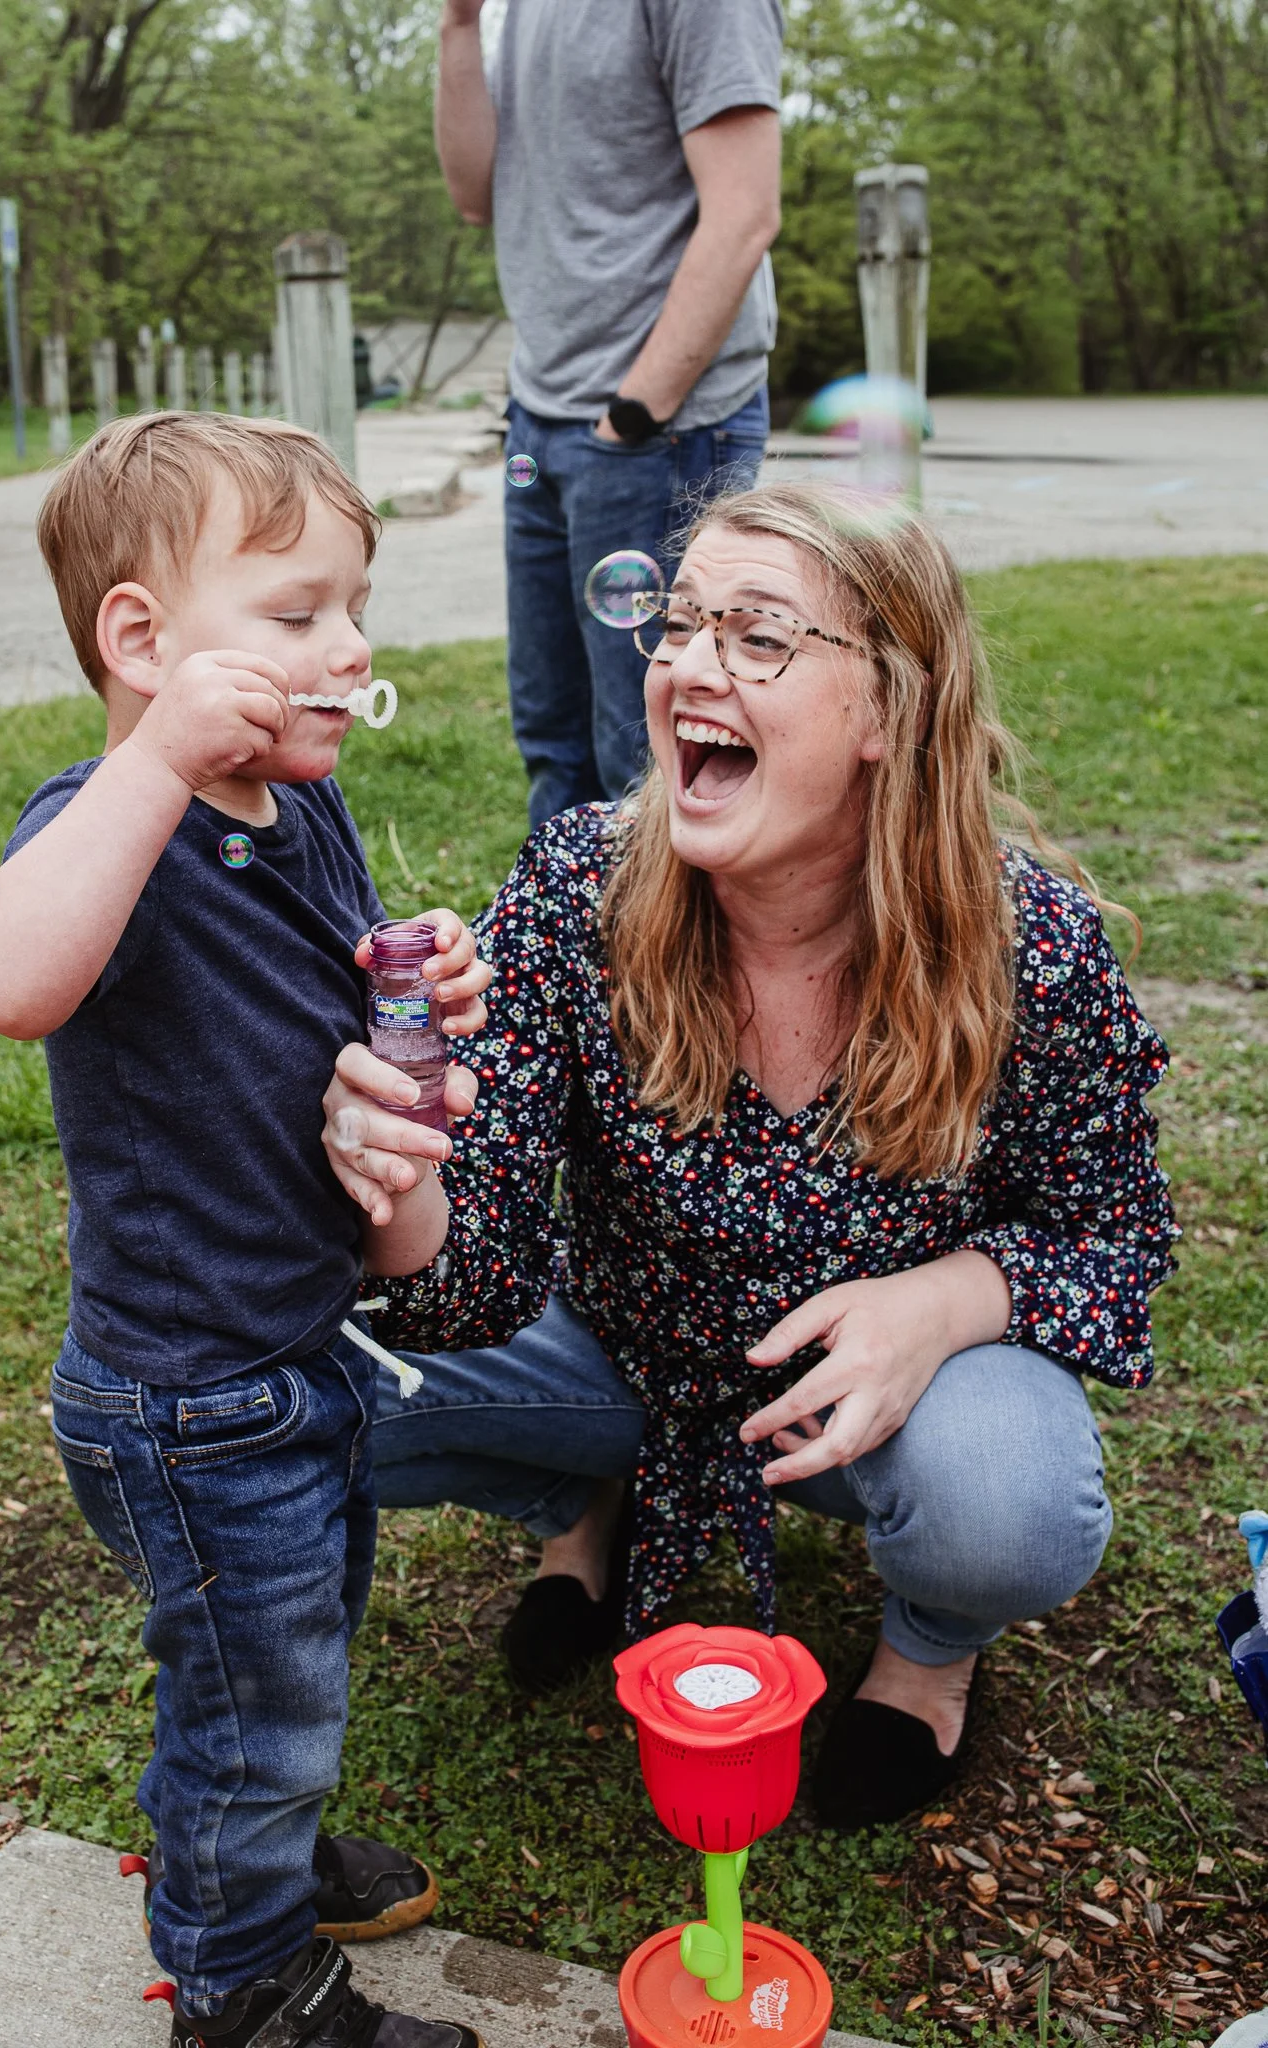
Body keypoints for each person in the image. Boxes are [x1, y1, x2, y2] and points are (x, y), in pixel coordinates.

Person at [321, 481, 1178, 1832]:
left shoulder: (1032, 947)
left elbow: (1113, 1240)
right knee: (275, 1382)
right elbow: (466, 1283)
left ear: (886, 712)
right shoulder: (580, 887)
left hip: (852, 1405)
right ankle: (590, 1491)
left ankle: (929, 1654)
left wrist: (934, 1305)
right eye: (678, 623)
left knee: (1004, 1504)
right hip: (618, 1351)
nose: (687, 666)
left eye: (759, 635)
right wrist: (402, 1175)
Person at [0, 413, 498, 2048]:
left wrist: (411, 976)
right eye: (296, 613)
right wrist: (146, 763)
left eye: (356, 608)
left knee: (292, 1654)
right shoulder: (106, 825)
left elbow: (334, 1009)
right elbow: (11, 976)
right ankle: (242, 1976)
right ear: (142, 639)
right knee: (251, 1691)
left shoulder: (295, 805)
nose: (347, 647)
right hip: (188, 1397)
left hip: (295, 1354)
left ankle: (250, 1839)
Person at [436, 0, 784, 827]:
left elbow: (745, 211)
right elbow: (473, 193)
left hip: (658, 430)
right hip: (543, 417)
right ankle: (562, 947)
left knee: (655, 757)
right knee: (555, 745)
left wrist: (632, 414)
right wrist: (457, 26)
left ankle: (665, 959)